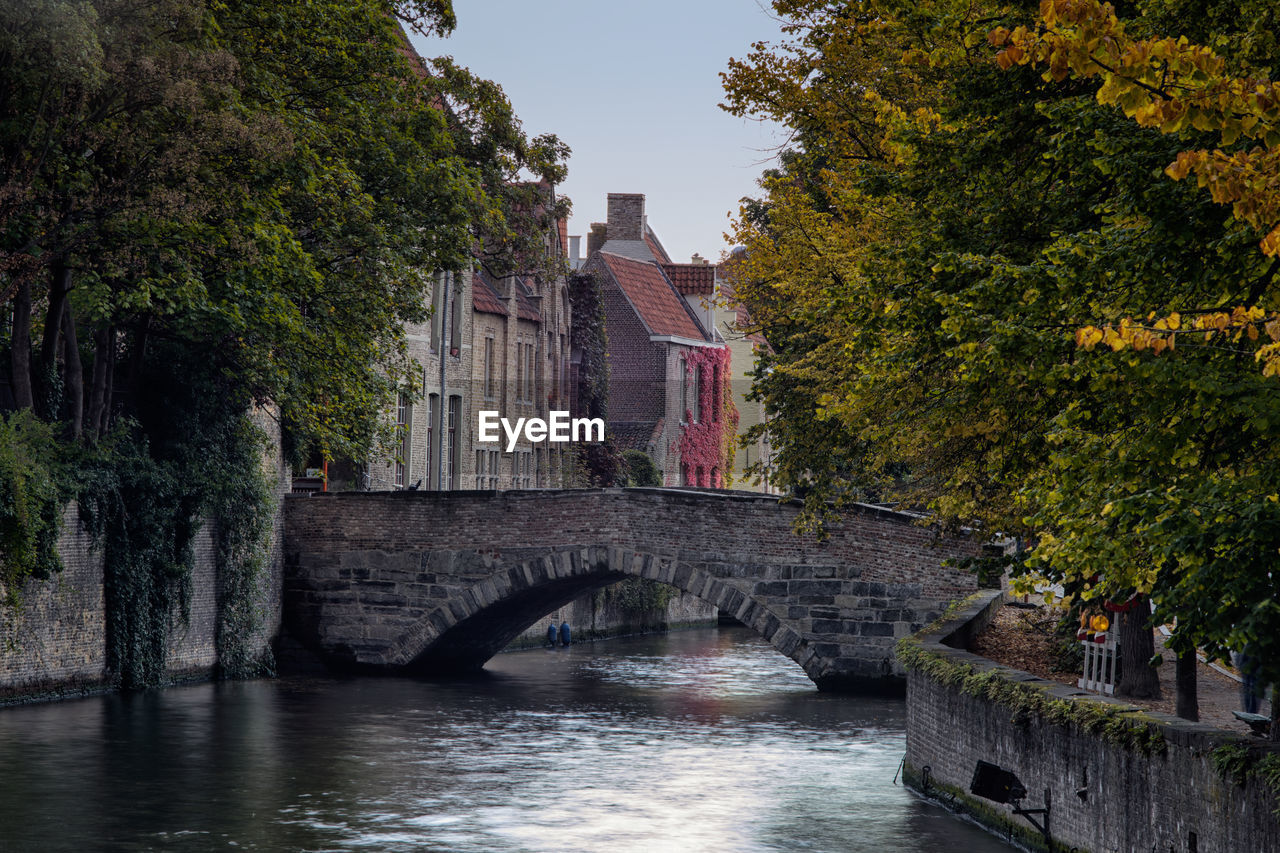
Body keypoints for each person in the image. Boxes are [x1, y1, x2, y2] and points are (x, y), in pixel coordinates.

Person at [1232, 648, 1261, 714]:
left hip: (1246, 663)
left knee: (1248, 688)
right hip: (1249, 664)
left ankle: (1250, 711)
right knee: (1251, 688)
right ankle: (1251, 711)